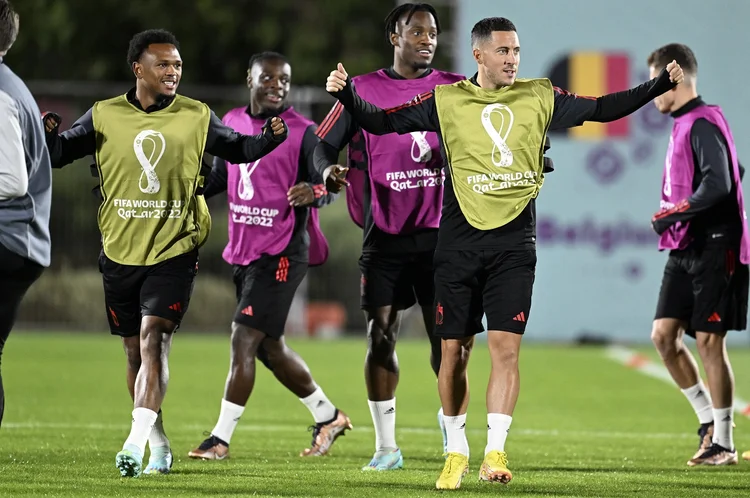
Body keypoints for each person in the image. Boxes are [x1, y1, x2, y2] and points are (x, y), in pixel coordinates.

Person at [324, 16, 683, 489]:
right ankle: (455, 452)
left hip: (515, 244)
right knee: (452, 352)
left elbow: (602, 107)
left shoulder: (539, 95)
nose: (512, 59)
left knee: (505, 350)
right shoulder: (445, 100)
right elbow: (380, 122)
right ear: (478, 55)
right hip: (456, 243)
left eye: (516, 51)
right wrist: (348, 95)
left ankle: (495, 452)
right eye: (503, 51)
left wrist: (655, 84)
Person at [43, 29, 287, 477]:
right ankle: (158, 443)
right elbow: (59, 154)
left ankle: (133, 444)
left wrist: (268, 140)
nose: (172, 72)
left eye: (176, 65)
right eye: (163, 64)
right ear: (138, 69)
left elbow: (238, 148)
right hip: (119, 250)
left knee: (155, 337)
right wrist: (47, 135)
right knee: (134, 353)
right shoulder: (103, 115)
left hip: (175, 248)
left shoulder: (196, 114)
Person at [313, 3, 465, 471]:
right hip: (386, 235)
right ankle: (385, 448)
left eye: (433, 32)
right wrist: (329, 170)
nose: (427, 39)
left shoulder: (456, 89)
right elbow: (321, 144)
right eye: (416, 31)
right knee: (380, 335)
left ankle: (452, 432)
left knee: (450, 343)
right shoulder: (362, 89)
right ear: (394, 37)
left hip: (444, 236)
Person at [188, 51, 352, 461]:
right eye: (269, 77)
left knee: (243, 338)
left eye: (284, 79)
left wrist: (316, 190)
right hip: (242, 252)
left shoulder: (303, 131)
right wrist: (184, 187)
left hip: (282, 253)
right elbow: (221, 177)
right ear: (251, 78)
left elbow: (326, 180)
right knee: (269, 348)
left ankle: (220, 439)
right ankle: (328, 415)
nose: (277, 84)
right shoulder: (232, 122)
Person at [648, 43, 747, 467]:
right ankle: (708, 421)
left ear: (677, 77)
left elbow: (721, 183)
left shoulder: (701, 121)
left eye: (657, 83)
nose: (653, 93)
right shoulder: (688, 121)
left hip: (715, 245)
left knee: (709, 340)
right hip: (686, 244)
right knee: (664, 336)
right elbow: (737, 172)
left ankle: (723, 442)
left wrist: (675, 212)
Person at [0, 0, 51, 428]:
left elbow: (10, 181)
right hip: (19, 242)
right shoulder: (10, 84)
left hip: (7, 239)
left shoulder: (0, 93)